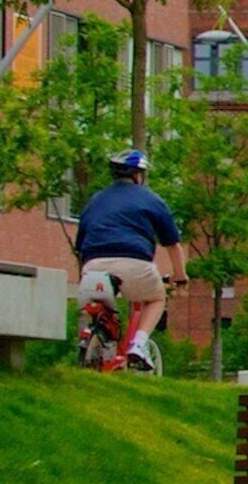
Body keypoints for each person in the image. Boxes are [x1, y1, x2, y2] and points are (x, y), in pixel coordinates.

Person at [73, 149, 180, 367]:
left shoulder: (95, 200)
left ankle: (101, 343)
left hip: (93, 264)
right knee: (156, 298)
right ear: (138, 175)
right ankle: (138, 345)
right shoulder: (151, 199)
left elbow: (79, 244)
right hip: (134, 262)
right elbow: (172, 244)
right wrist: (181, 275)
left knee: (106, 308)